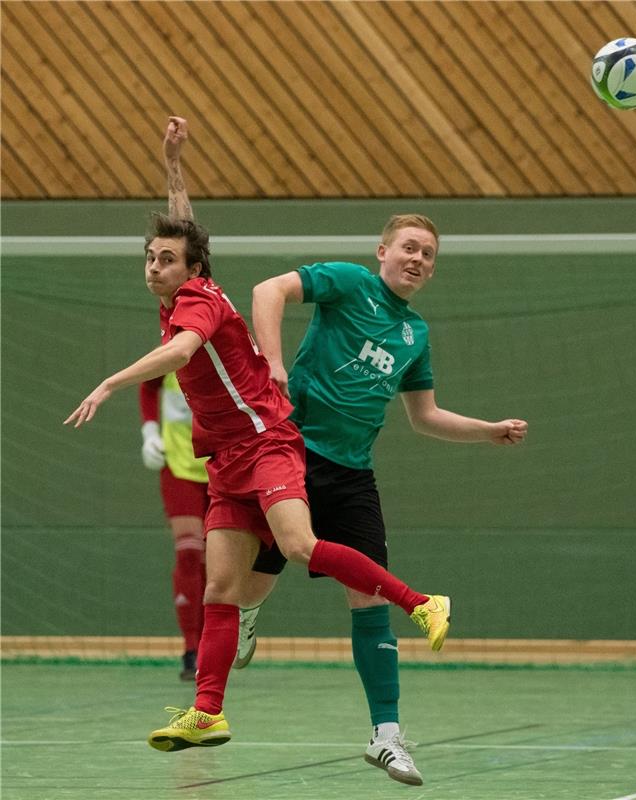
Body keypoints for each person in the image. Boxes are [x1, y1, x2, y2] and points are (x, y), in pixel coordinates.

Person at [162, 117, 528, 785]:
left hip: (352, 475)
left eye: (429, 255)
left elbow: (423, 416)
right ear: (382, 250)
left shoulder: (414, 332)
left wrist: (486, 430)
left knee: (366, 601)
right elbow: (268, 290)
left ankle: (386, 735)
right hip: (290, 455)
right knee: (240, 581)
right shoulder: (348, 283)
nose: (418, 260)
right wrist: (272, 361)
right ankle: (236, 633)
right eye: (409, 248)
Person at [64, 205, 451, 755]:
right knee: (219, 588)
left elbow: (180, 350)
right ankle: (207, 713)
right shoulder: (177, 295)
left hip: (267, 443)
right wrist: (173, 165)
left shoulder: (198, 303)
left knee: (299, 545)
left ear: (194, 268)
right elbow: (184, 229)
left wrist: (108, 384)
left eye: (165, 259)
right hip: (224, 459)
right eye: (149, 258)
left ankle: (418, 603)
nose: (153, 266)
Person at [139, 373, 208, 680]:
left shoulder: (230, 353)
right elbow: (147, 385)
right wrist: (150, 431)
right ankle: (191, 648)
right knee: (190, 552)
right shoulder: (169, 353)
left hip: (224, 464)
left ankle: (212, 645)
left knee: (219, 560)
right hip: (179, 467)